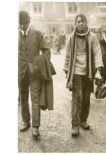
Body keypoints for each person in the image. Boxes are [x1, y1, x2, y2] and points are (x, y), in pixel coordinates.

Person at [64, 14, 104, 137]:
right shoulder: (71, 38)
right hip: (76, 71)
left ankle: (83, 120)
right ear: (75, 24)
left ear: (86, 23)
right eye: (78, 21)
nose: (80, 23)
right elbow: (68, 55)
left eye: (83, 21)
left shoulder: (92, 37)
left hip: (89, 72)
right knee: (77, 97)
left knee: (86, 97)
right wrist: (67, 70)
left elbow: (97, 52)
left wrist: (98, 69)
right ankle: (75, 125)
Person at [18, 11, 52, 139]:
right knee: (23, 97)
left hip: (35, 73)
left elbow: (47, 51)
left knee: (35, 99)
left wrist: (41, 65)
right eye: (20, 24)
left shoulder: (37, 34)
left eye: (25, 23)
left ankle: (35, 127)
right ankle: (26, 121)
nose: (22, 26)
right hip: (20, 72)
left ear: (29, 22)